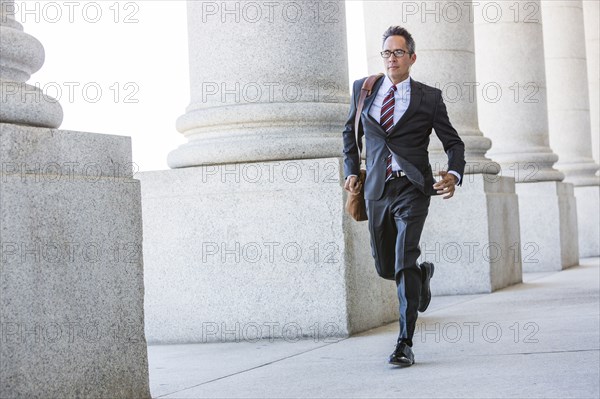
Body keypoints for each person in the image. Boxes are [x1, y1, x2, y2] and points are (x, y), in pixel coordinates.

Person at [342, 26, 466, 367]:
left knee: (402, 260)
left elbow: (454, 143)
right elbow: (349, 136)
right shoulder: (363, 90)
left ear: (412, 57)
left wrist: (454, 174)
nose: (391, 58)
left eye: (398, 52)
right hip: (377, 190)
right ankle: (421, 276)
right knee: (386, 266)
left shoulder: (429, 97)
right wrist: (352, 170)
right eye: (386, 53)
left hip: (413, 189)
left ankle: (404, 343)